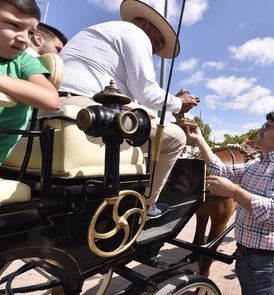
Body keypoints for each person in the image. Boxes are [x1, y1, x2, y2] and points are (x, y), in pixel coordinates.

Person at [54, 0, 198, 216]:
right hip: (90, 110)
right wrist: (180, 103)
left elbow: (137, 100)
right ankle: (148, 204)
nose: (156, 49)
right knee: (176, 137)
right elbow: (147, 93)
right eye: (157, 42)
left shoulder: (102, 34)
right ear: (145, 23)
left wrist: (171, 105)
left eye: (159, 48)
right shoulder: (135, 33)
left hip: (61, 105)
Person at [186, 111, 274, 295]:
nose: (261, 129)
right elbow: (222, 170)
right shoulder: (257, 164)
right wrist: (199, 139)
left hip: (267, 263)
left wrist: (233, 191)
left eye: (267, 127)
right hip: (247, 256)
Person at [0, 0, 59, 165]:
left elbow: (50, 99)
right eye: (14, 24)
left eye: (31, 33)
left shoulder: (23, 60)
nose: (24, 39)